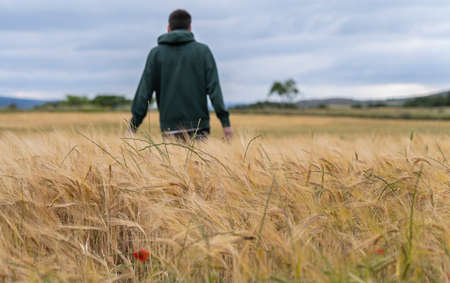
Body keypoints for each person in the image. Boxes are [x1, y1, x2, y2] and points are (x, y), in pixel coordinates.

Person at [129, 9, 233, 141]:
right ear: (190, 28)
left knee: (170, 162)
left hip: (169, 128)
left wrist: (133, 126)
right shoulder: (203, 52)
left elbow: (144, 93)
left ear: (168, 28)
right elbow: (214, 89)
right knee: (198, 162)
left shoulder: (156, 54)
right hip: (199, 128)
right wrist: (225, 123)